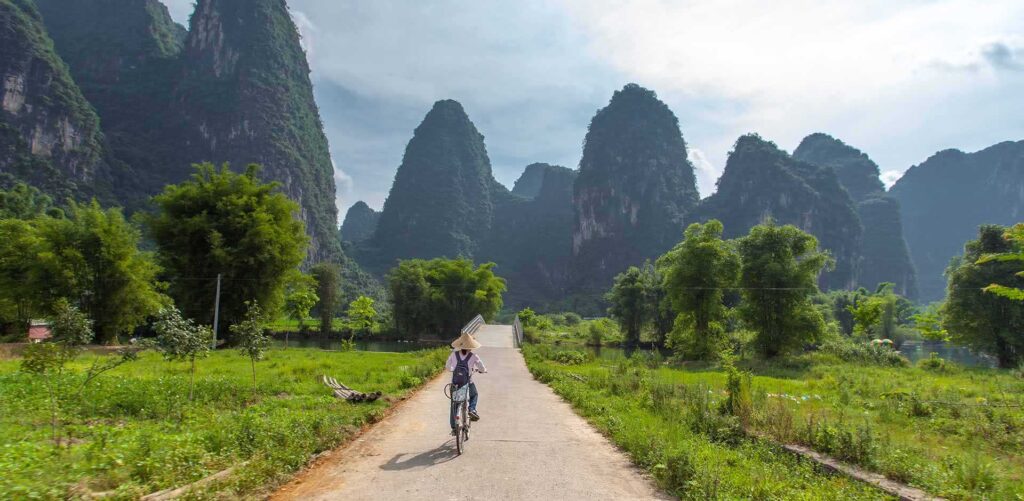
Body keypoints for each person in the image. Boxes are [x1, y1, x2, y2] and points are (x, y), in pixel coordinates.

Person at [447, 331, 486, 433]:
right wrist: (483, 370)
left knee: (454, 404)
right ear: (471, 346)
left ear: (460, 345)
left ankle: (454, 428)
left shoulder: (453, 355)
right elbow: (481, 368)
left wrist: (453, 369)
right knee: (474, 394)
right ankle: (472, 409)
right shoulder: (473, 356)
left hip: (455, 384)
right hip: (468, 383)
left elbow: (448, 367)